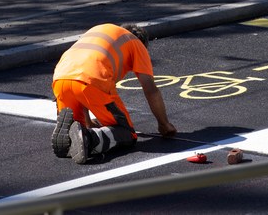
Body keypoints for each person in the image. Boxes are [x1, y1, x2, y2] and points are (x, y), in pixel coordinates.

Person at [51, 23, 177, 164]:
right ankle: (90, 138)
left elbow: (81, 73)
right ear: (143, 43)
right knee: (127, 134)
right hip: (92, 79)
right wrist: (164, 124)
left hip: (60, 77)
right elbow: (150, 89)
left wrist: (88, 122)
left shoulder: (100, 31)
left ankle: (70, 136)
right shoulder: (136, 44)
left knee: (77, 126)